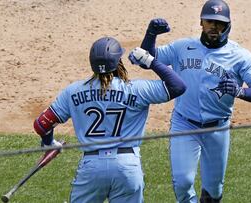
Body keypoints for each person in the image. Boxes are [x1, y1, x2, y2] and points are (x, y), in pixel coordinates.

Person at [139, 0, 251, 202]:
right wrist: (150, 34)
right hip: (184, 124)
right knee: (183, 182)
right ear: (201, 23)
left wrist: (240, 92)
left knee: (213, 191)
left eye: (219, 23)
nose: (214, 26)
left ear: (228, 25)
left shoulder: (240, 56)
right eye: (209, 21)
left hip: (218, 128)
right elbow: (147, 58)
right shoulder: (182, 47)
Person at [33, 36, 186, 203]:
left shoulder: (73, 91)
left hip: (91, 167)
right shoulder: (137, 89)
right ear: (118, 61)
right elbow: (178, 86)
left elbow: (42, 124)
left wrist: (49, 143)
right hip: (127, 166)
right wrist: (150, 61)